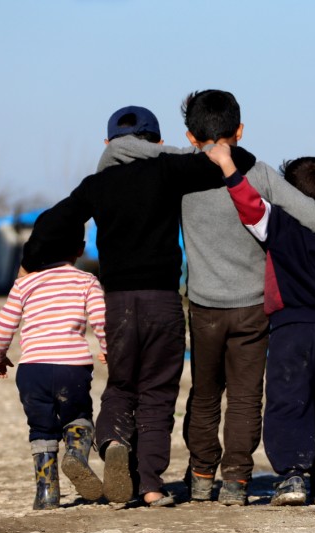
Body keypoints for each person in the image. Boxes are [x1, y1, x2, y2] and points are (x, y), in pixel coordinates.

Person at [97, 90, 315, 506]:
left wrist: (120, 149)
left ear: (190, 136)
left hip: (205, 307)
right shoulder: (260, 173)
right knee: (246, 397)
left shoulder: (179, 171)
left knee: (206, 394)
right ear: (241, 130)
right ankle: (236, 482)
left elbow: (131, 154)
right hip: (253, 308)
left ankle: (200, 476)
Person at [20, 105, 256, 508]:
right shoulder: (168, 169)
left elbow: (51, 222)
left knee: (122, 386)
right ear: (158, 142)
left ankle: (113, 442)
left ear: (108, 144)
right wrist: (180, 154)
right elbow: (239, 159)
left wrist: (28, 264)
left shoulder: (97, 184)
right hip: (162, 301)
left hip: (118, 305)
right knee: (158, 393)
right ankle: (149, 484)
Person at [205, 144, 315, 505]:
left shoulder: (278, 225)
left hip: (287, 329)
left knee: (287, 400)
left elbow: (249, 205)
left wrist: (228, 166)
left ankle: (292, 477)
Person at [0, 239, 107, 510]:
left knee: (41, 428)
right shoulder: (86, 281)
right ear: (80, 248)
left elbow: (3, 324)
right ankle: (76, 454)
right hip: (72, 369)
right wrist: (108, 348)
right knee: (78, 415)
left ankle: (47, 494)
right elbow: (101, 319)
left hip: (33, 371)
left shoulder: (24, 284)